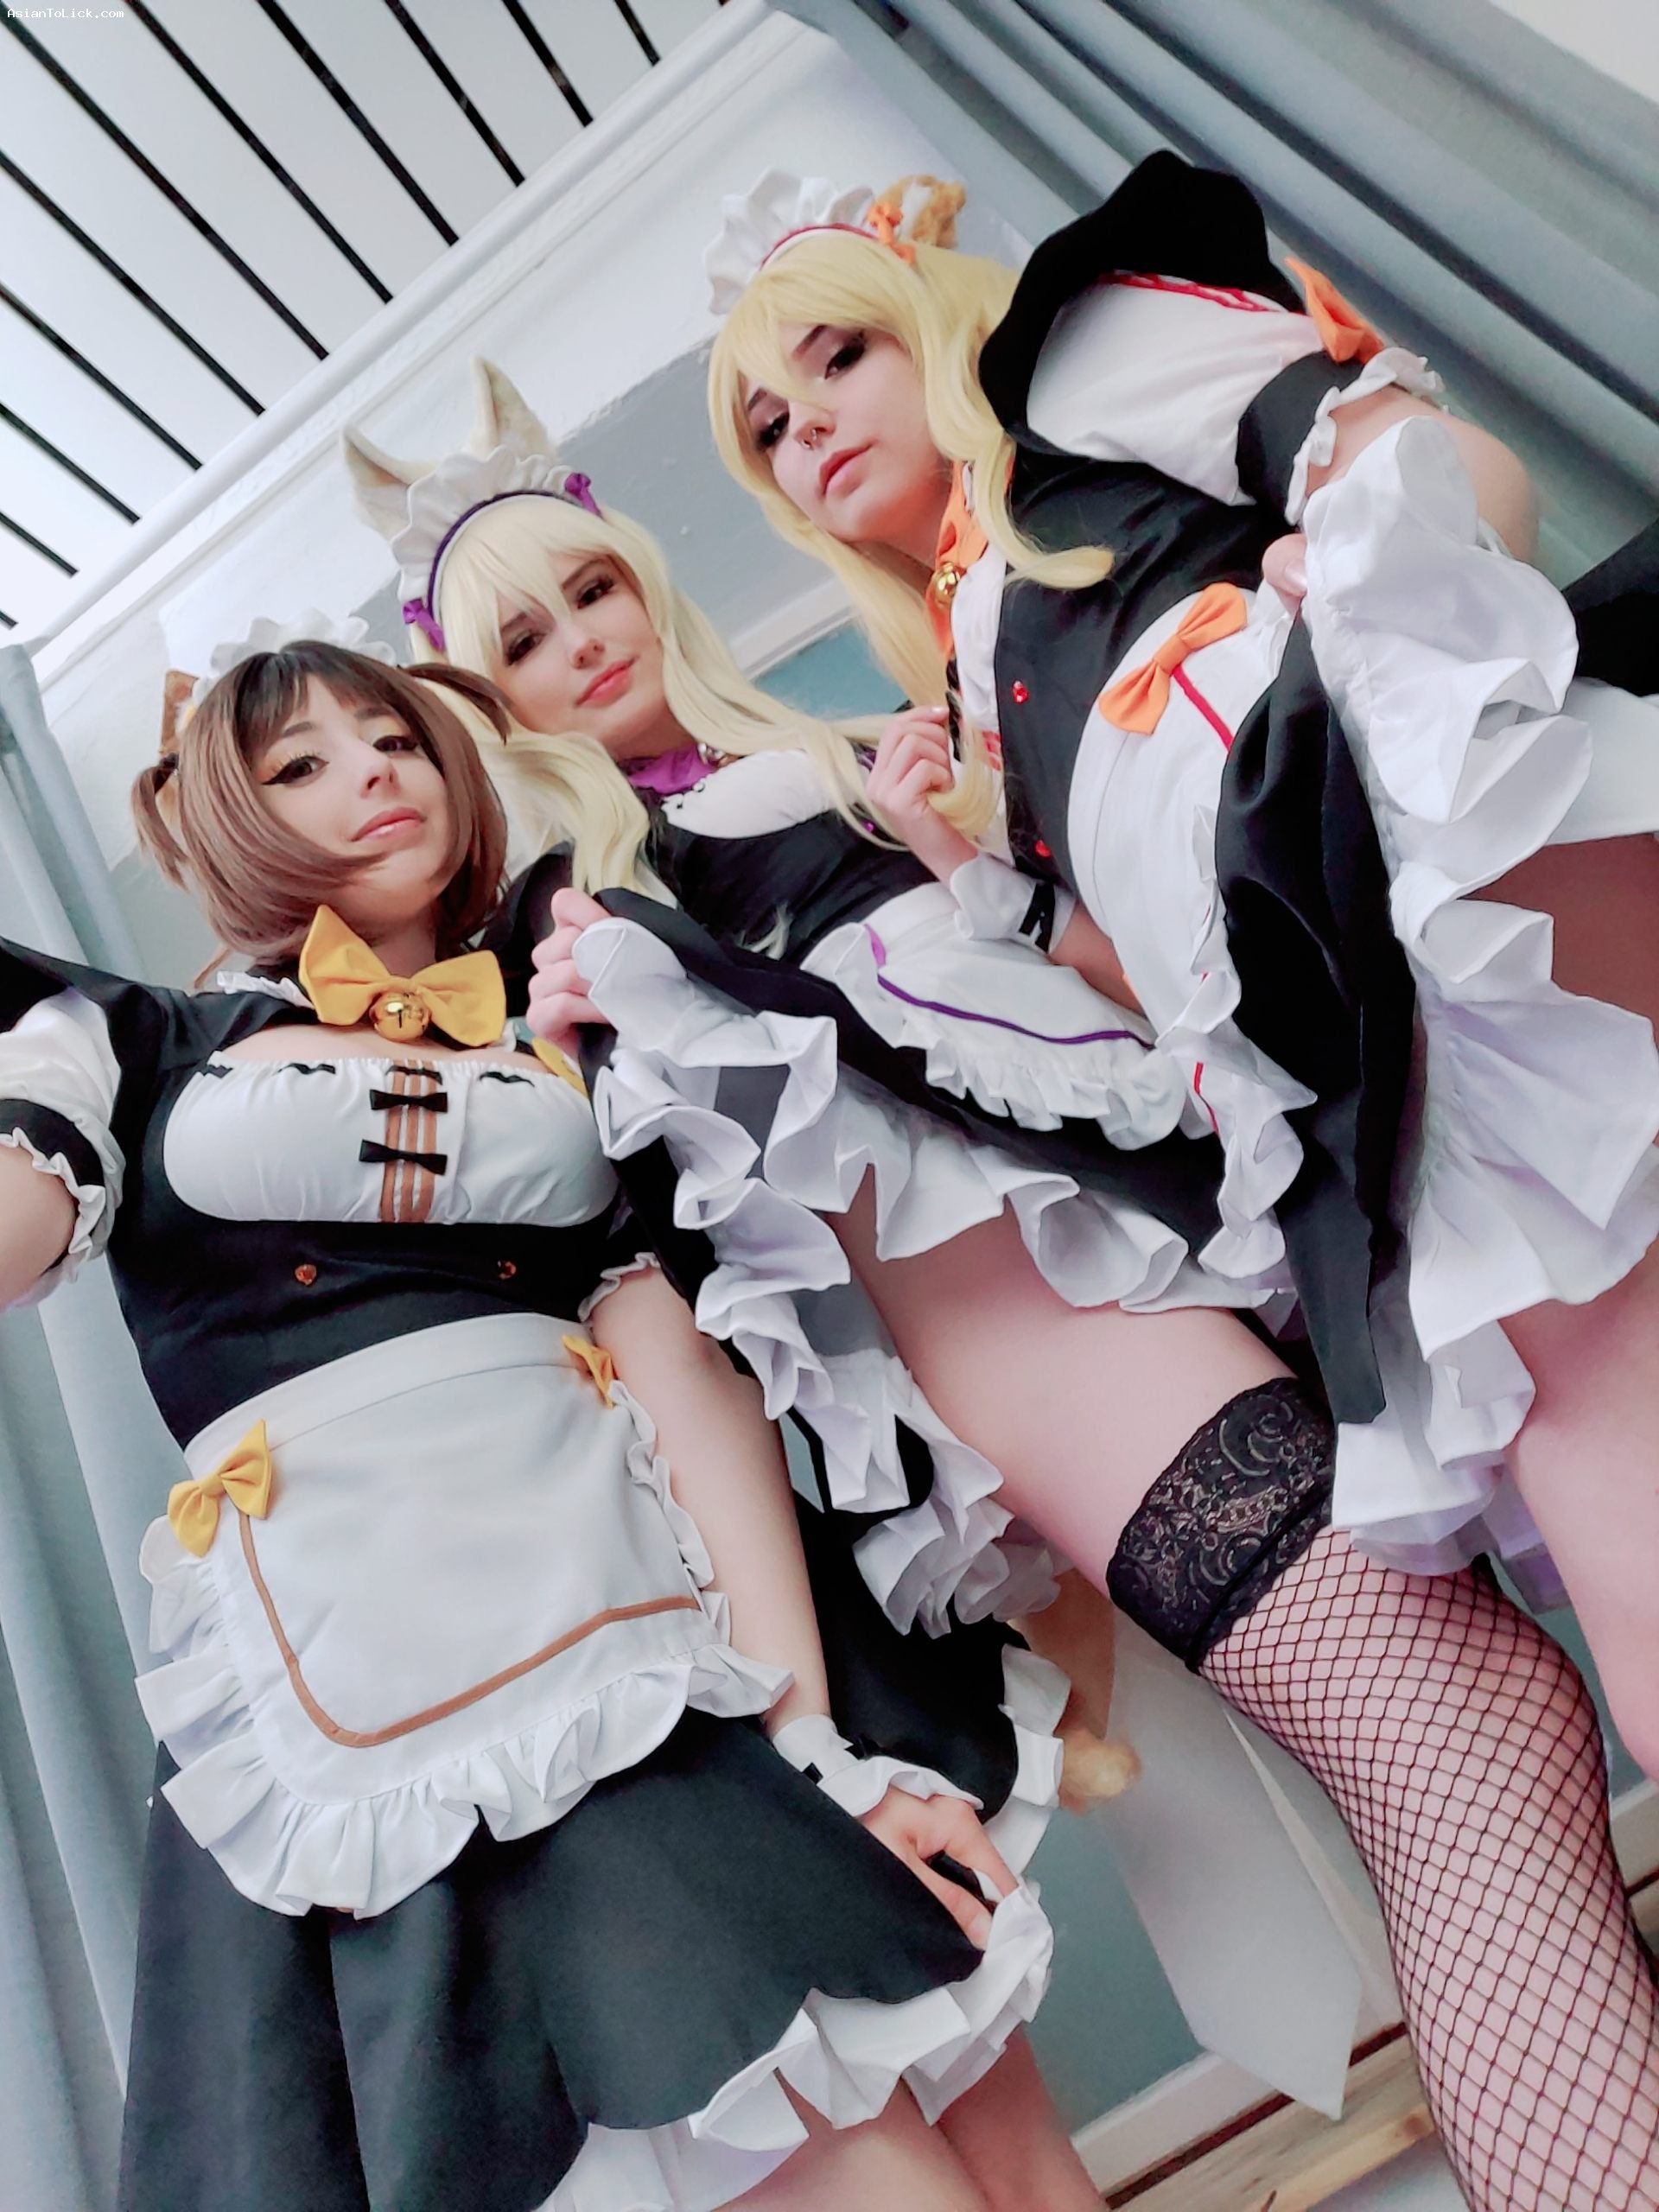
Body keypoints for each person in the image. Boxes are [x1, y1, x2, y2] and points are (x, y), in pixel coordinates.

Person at [346, 372, 1659, 2211]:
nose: (581, 643)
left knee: (1497, 1722)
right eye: (524, 641)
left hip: (1194, 1263)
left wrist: (967, 844)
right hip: (1040, 1332)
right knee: (1462, 1734)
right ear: (490, 703)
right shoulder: (587, 915)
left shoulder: (845, 755)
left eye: (591, 590)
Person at [0, 629, 1095, 2212]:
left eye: (392, 738)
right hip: (404, 1699)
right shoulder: (123, 1043)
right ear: (228, 817)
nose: (372, 775)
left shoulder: (563, 1022)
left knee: (1012, 2153)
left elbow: (687, 1378)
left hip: (667, 1640)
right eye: (301, 763)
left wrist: (811, 1740)